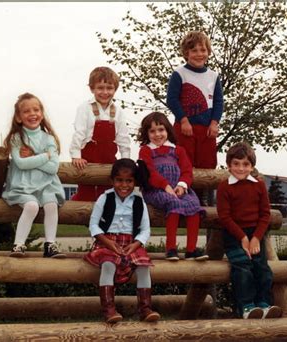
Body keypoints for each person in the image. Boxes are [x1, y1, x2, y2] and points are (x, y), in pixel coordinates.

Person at [84, 158, 160, 323]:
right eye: (119, 180)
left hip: (131, 243)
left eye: (129, 181)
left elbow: (146, 229)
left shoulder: (139, 201)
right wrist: (108, 242)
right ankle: (109, 310)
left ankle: (145, 308)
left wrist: (136, 244)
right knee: (108, 265)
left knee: (143, 267)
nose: (124, 185)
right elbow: (93, 225)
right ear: (112, 180)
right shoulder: (105, 198)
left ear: (135, 182)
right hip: (107, 241)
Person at [216, 142, 282, 319]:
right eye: (236, 164)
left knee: (262, 268)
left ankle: (264, 304)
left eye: (245, 164)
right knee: (243, 268)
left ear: (252, 166)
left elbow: (265, 214)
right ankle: (246, 307)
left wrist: (255, 238)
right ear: (229, 165)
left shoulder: (259, 185)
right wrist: (243, 238)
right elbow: (224, 217)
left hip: (256, 234)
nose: (240, 168)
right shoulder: (224, 187)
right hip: (234, 234)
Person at [138, 112, 208, 262]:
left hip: (179, 189)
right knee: (173, 202)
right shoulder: (146, 150)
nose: (157, 134)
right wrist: (165, 186)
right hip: (156, 190)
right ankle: (171, 248)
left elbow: (187, 171)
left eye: (161, 130)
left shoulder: (178, 150)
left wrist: (182, 186)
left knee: (194, 205)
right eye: (152, 131)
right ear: (147, 133)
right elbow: (149, 172)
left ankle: (191, 250)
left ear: (168, 130)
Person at [2, 92, 66, 258]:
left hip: (46, 184)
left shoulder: (49, 138)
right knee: (32, 206)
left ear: (42, 113)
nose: (32, 114)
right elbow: (21, 164)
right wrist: (45, 155)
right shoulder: (17, 138)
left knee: (51, 205)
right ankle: (18, 245)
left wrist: (32, 156)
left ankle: (50, 245)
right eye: (26, 111)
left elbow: (53, 168)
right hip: (23, 186)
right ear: (18, 117)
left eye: (36, 110)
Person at [166, 31, 224, 206]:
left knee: (207, 163)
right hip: (185, 127)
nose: (199, 54)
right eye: (194, 50)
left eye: (203, 50)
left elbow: (219, 101)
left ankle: (204, 197)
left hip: (206, 129)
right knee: (185, 162)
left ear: (208, 52)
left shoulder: (213, 76)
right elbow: (172, 99)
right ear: (186, 53)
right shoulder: (179, 74)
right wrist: (183, 119)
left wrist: (215, 123)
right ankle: (185, 196)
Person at [69, 66, 131, 201]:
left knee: (108, 192)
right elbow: (79, 132)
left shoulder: (118, 111)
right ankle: (81, 214)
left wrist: (125, 159)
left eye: (109, 88)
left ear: (115, 89)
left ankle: (105, 219)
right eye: (100, 88)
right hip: (88, 157)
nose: (105, 92)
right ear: (92, 88)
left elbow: (123, 138)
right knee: (86, 191)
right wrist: (76, 156)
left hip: (108, 157)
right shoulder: (84, 108)